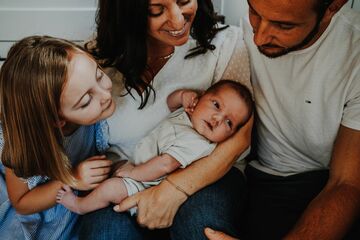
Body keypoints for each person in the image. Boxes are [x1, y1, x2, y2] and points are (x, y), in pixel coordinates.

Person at [79, 0, 253, 239]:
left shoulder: (227, 44)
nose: (178, 20)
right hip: (125, 175)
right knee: (106, 233)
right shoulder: (100, 58)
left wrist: (173, 190)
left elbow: (241, 137)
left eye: (183, 1)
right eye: (156, 10)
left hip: (209, 174)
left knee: (200, 225)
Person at [205, 0, 360, 239]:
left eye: (284, 26)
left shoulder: (354, 52)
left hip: (334, 178)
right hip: (271, 178)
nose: (259, 37)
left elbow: (347, 182)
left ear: (333, 7)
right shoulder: (244, 28)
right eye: (254, 12)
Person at [57, 80, 253, 216]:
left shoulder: (197, 143)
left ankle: (80, 206)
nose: (217, 119)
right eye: (216, 105)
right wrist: (183, 95)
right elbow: (170, 102)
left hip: (149, 187)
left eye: (229, 123)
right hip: (139, 167)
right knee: (108, 168)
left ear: (230, 135)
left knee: (110, 189)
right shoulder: (188, 117)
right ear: (201, 97)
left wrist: (133, 173)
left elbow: (165, 165)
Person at [0, 35, 115, 240]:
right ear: (57, 120)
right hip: (36, 207)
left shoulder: (92, 111)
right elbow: (21, 203)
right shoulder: (26, 142)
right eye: (86, 100)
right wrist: (74, 179)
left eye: (99, 76)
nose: (106, 95)